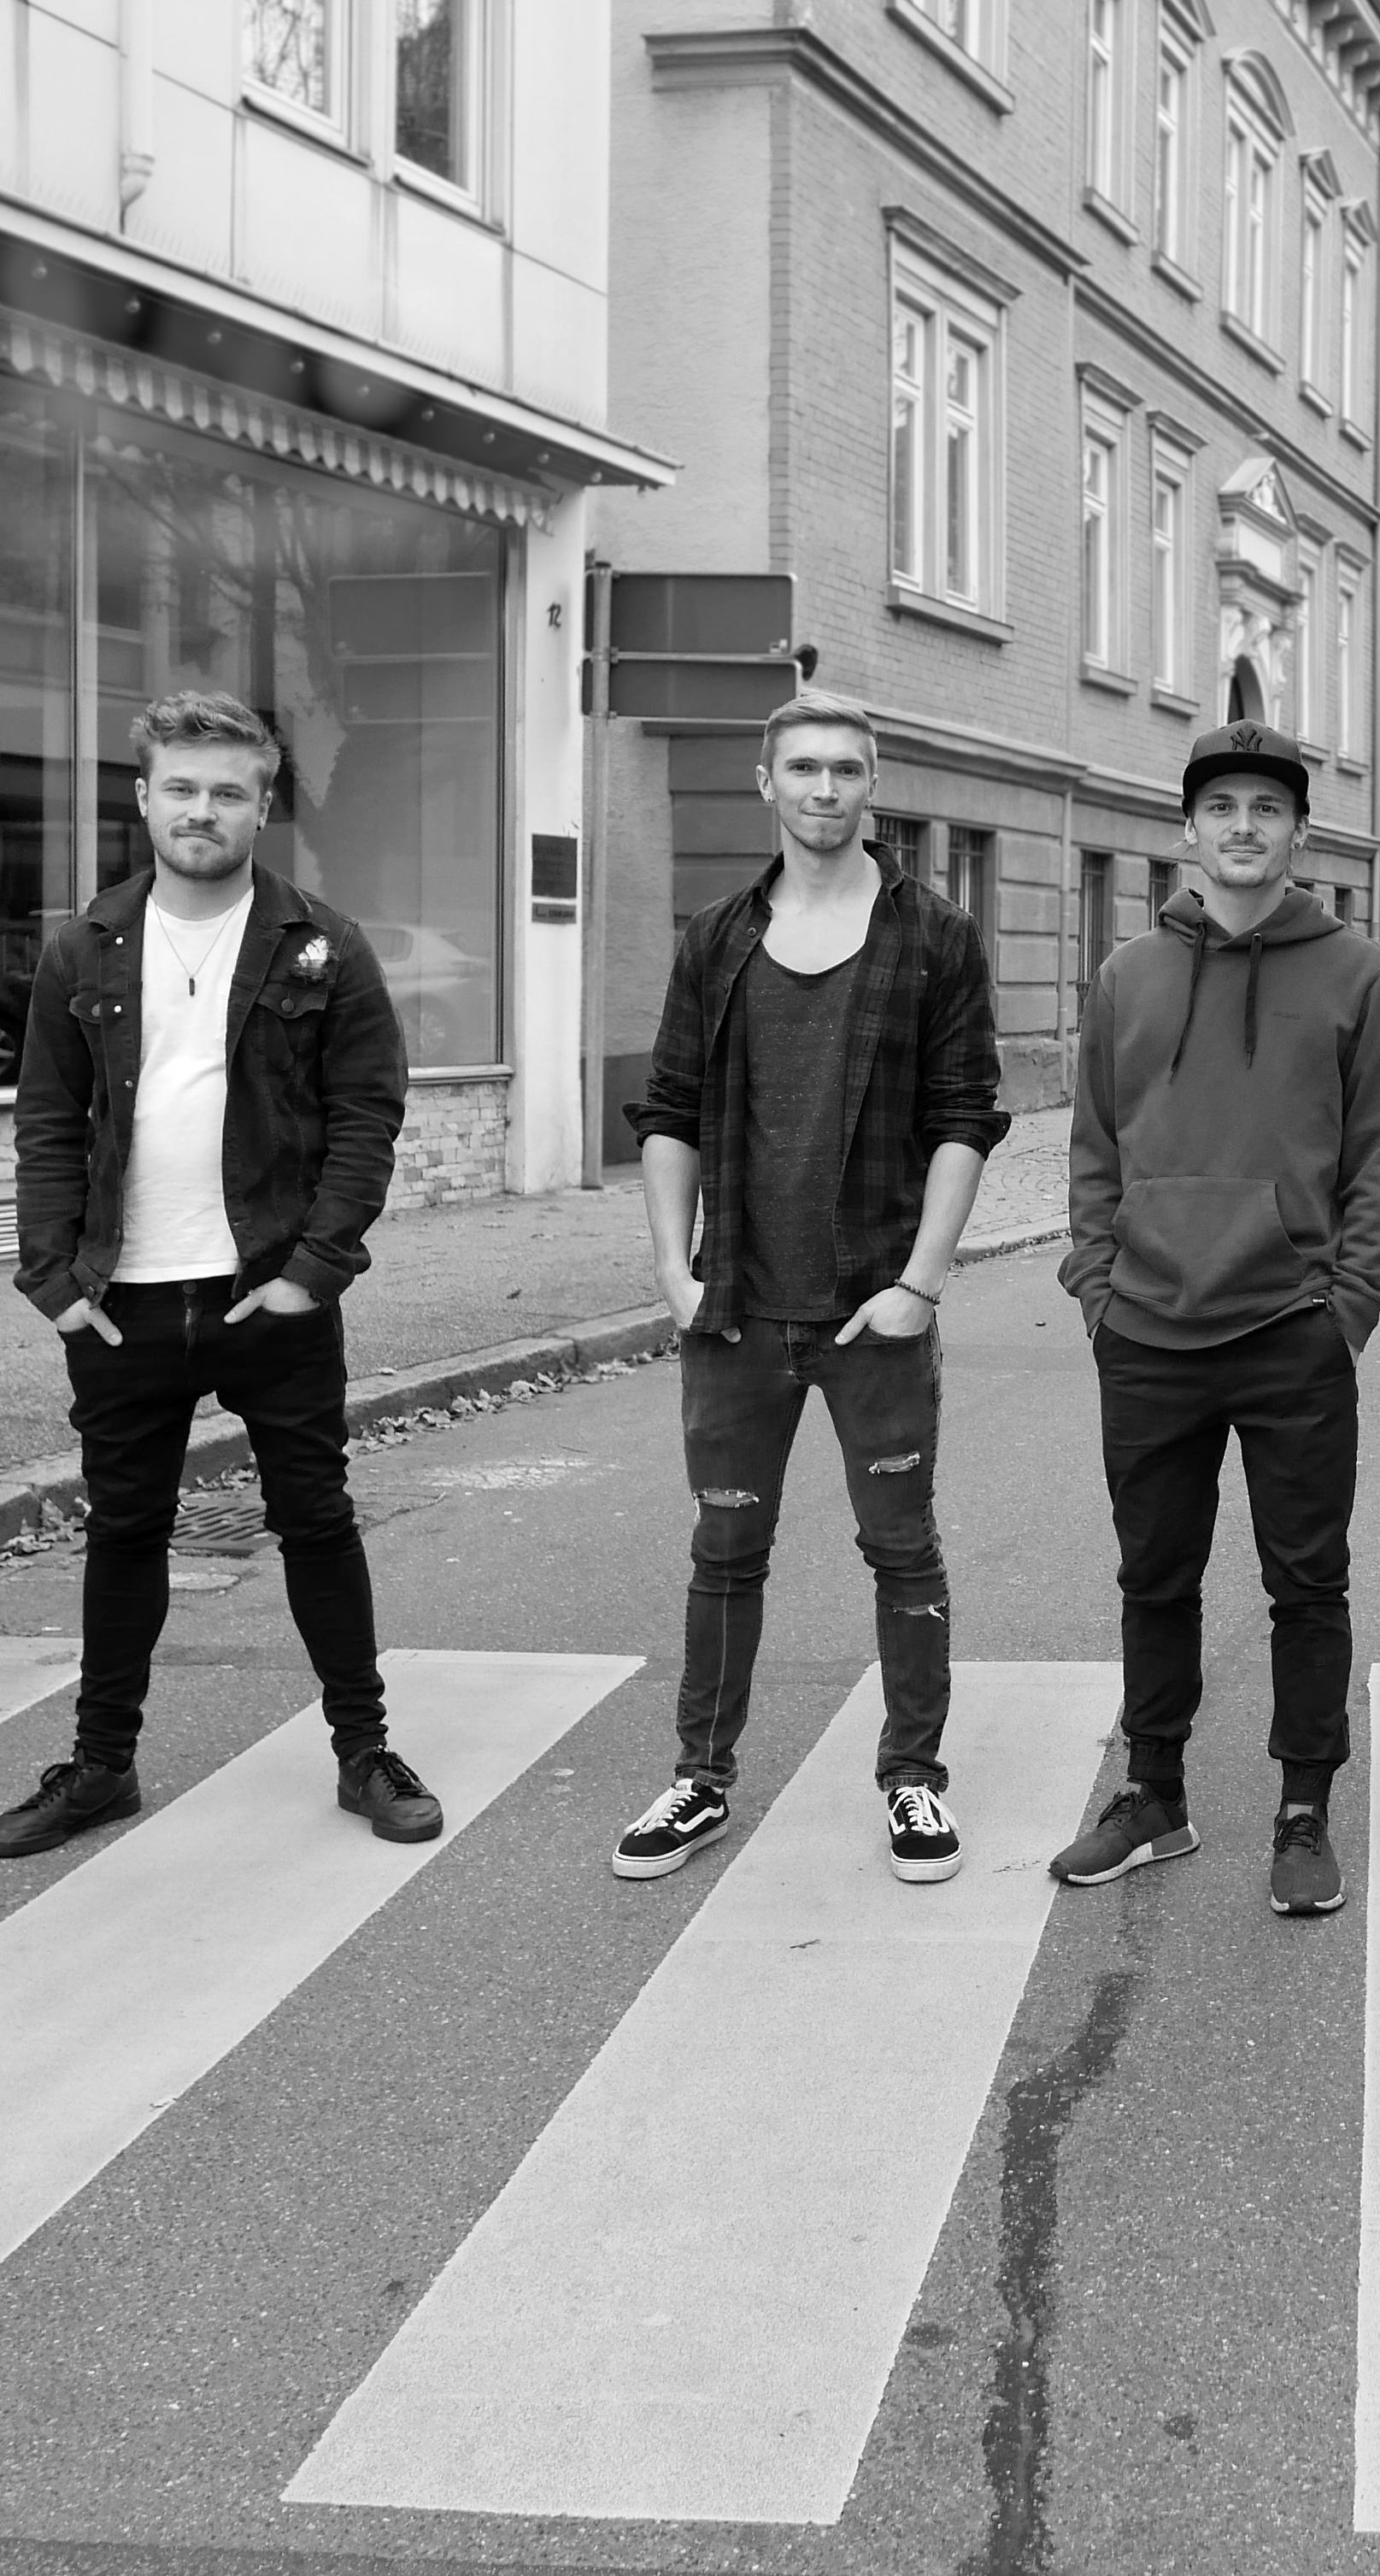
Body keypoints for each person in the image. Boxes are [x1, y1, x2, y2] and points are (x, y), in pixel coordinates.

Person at [0, 691, 436, 1857]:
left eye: (228, 791)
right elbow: (48, 1119)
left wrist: (314, 1272)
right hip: (123, 1299)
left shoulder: (321, 945)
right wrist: (54, 1281)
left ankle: (364, 1750)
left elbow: (367, 1116)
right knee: (125, 1532)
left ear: (262, 805)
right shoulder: (83, 945)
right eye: (182, 788)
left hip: (266, 1291)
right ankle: (101, 1765)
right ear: (144, 797)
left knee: (317, 1521)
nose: (203, 810)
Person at [611, 692, 1006, 1889]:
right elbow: (669, 1109)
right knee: (725, 1549)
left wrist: (920, 1284)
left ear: (873, 783)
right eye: (802, 769)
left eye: (845, 769)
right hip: (734, 1306)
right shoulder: (716, 938)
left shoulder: (934, 936)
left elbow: (963, 1118)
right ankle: (700, 1778)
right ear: (766, 783)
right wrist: (671, 1268)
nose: (824, 789)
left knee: (901, 1548)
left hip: (873, 1310)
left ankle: (913, 1780)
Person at [1049, 722, 1380, 1918]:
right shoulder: (1128, 975)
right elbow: (1093, 1149)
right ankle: (1152, 1793)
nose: (1244, 826)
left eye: (1267, 807)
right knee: (1153, 1577)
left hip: (1291, 1331)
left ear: (1299, 831)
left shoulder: (1361, 976)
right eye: (1222, 807)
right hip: (1146, 1330)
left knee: (1306, 1583)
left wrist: (1345, 1312)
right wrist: (1099, 1291)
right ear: (1188, 828)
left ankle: (1303, 1807)